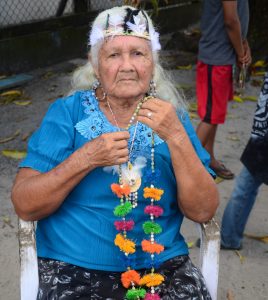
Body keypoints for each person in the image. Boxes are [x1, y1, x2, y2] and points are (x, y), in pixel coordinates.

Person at [11, 6, 219, 299]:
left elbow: (203, 210)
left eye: (138, 53)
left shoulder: (173, 118)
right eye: (113, 55)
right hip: (73, 269)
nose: (127, 66)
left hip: (161, 268)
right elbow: (25, 204)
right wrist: (86, 158)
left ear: (152, 63)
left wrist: (175, 135)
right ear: (95, 65)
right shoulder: (67, 114)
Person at [196, 0, 251, 179]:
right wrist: (240, 50)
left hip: (220, 56)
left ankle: (209, 158)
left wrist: (243, 42)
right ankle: (185, 167)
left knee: (214, 115)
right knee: (210, 117)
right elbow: (230, 20)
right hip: (217, 58)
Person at [221, 72, 268, 250]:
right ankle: (229, 237)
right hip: (262, 136)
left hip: (262, 137)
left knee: (244, 187)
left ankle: (229, 237)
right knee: (246, 187)